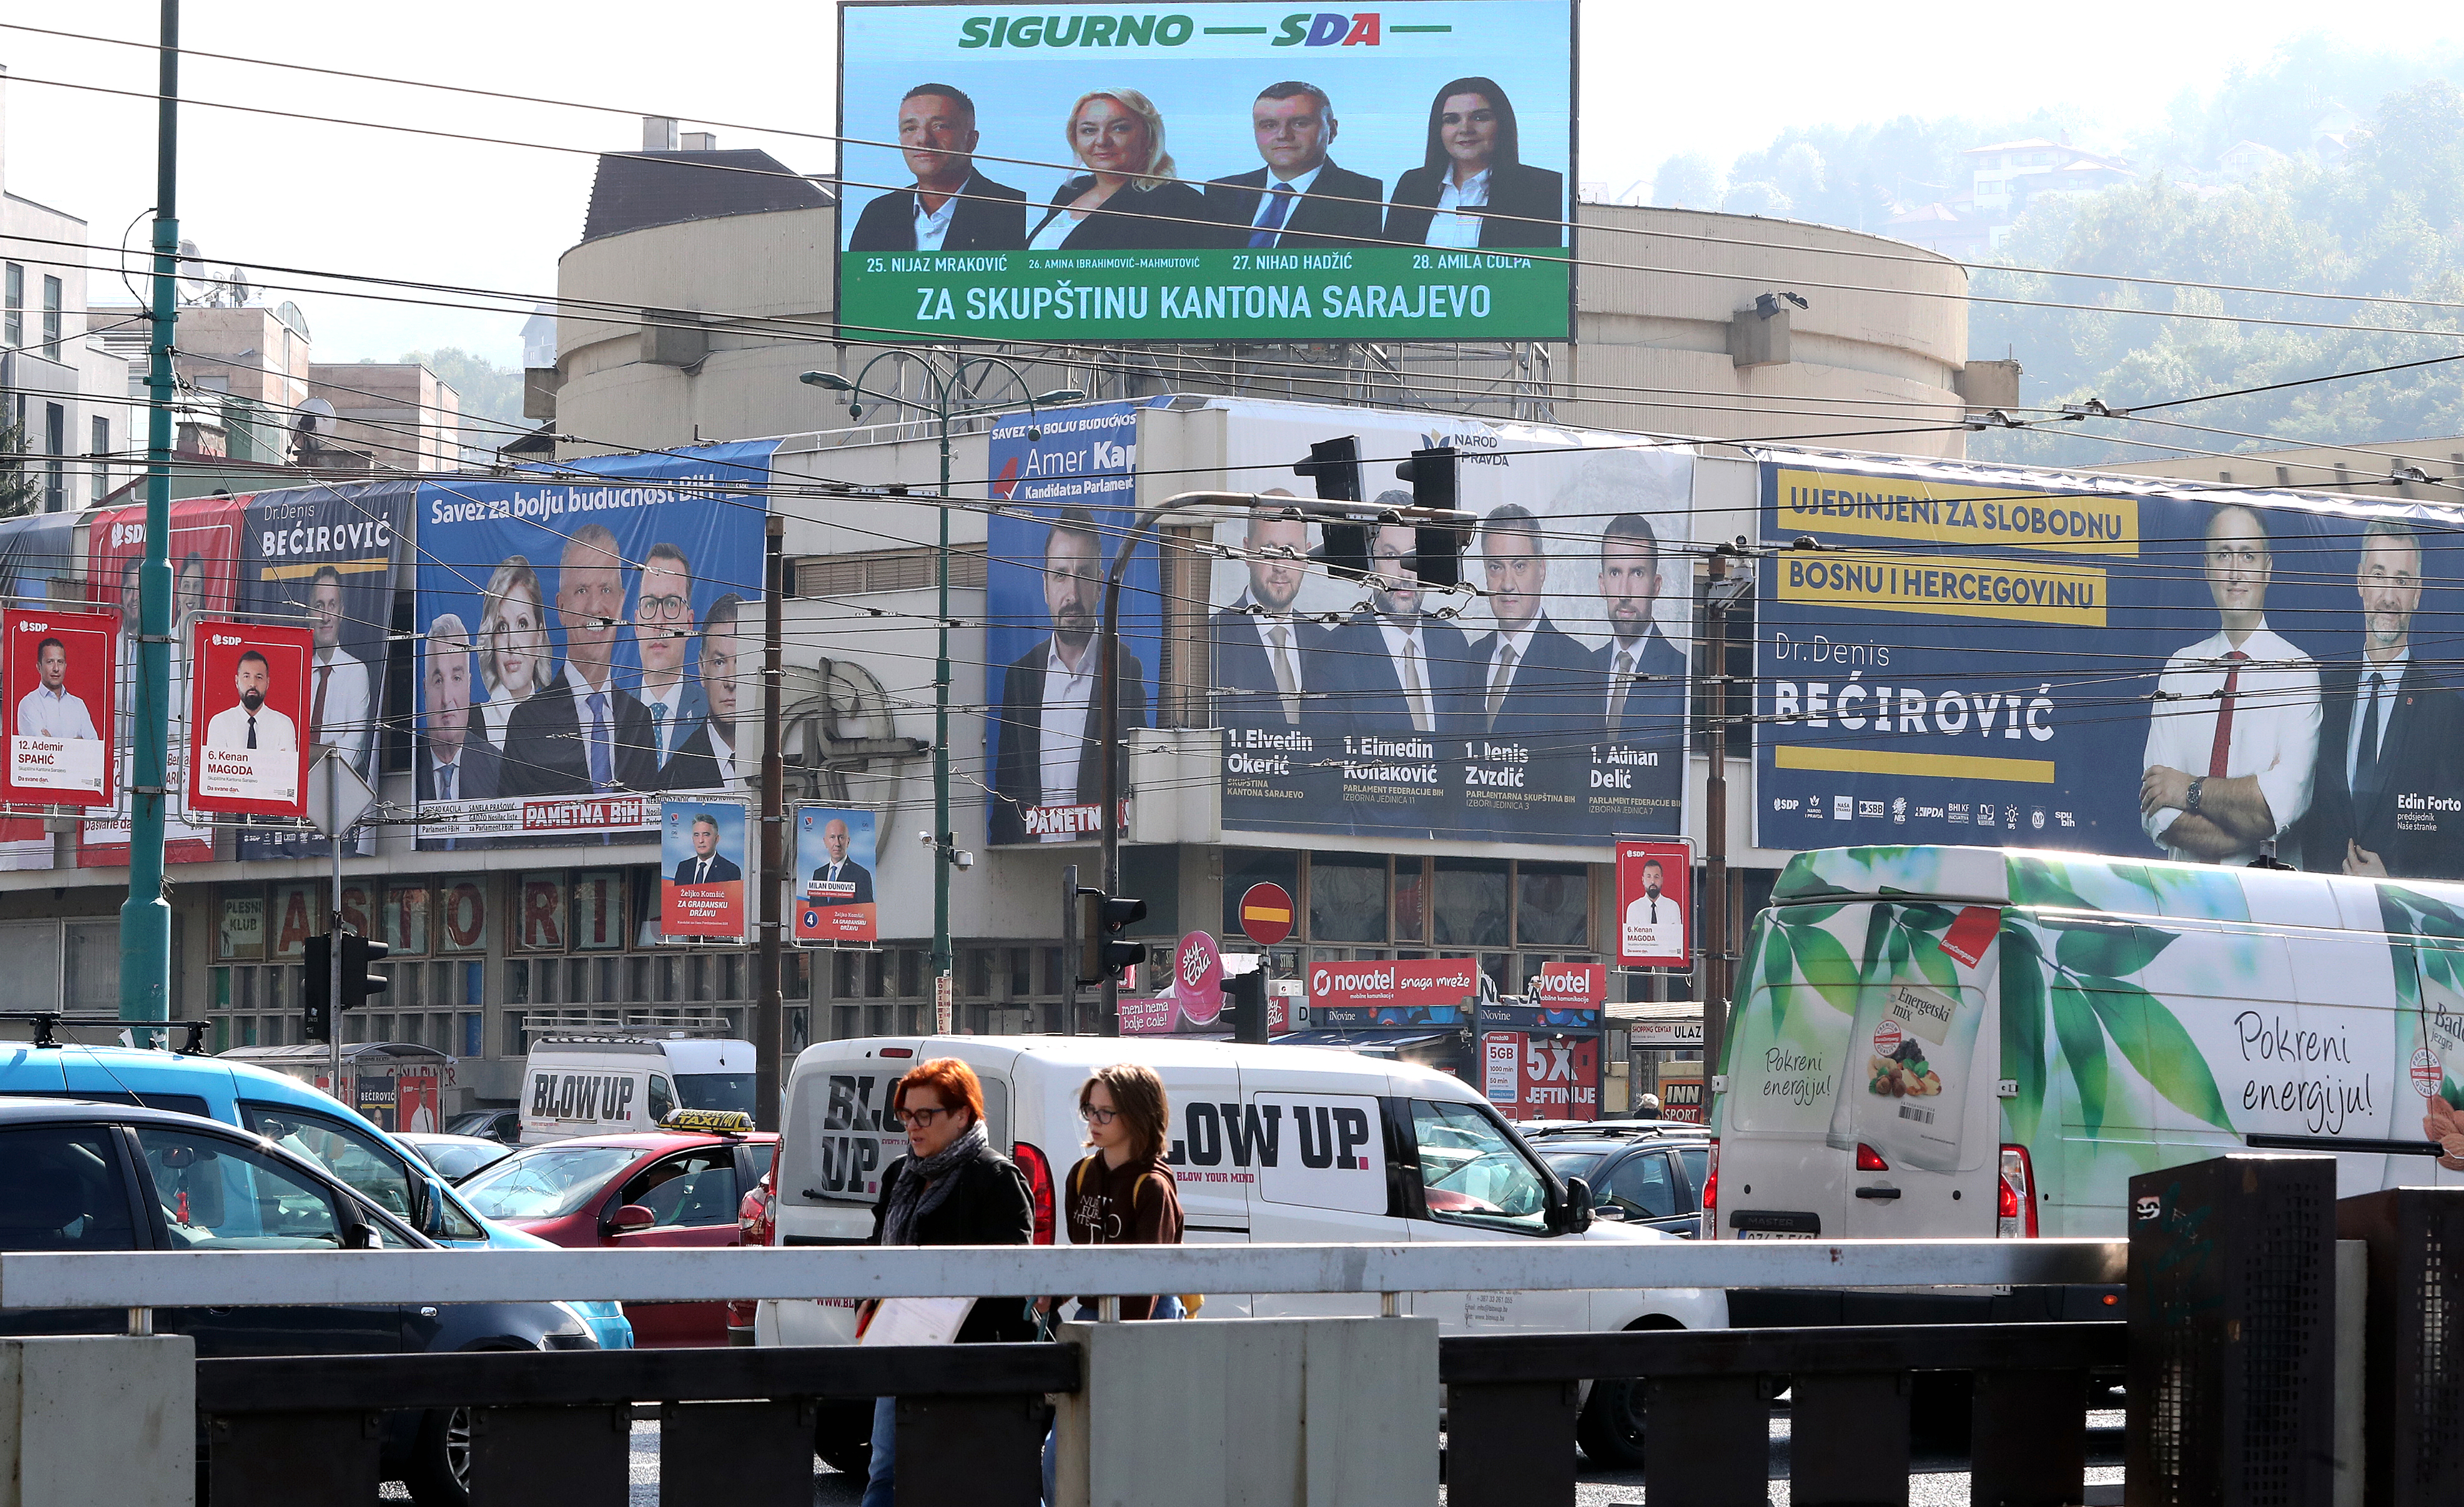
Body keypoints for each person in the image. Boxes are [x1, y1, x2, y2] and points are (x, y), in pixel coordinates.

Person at [860, 1058, 1035, 1507]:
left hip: (973, 1361)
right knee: (886, 1475)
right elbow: (874, 1250)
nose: (913, 1127)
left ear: (962, 1114)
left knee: (976, 1480)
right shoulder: (901, 1174)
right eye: (905, 1115)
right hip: (900, 1348)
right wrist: (869, 1298)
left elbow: (1015, 1278)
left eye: (925, 1115)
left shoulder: (996, 1178)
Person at [2141, 504, 2321, 865]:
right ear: (2207, 570)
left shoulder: (2298, 673)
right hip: (2184, 902)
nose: (2236, 571)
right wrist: (2246, 807)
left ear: (2268, 570)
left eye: (2248, 555)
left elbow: (2275, 810)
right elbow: (2157, 813)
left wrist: (2188, 789)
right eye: (2223, 555)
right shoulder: (2179, 670)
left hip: (2266, 906)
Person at [1041, 1063, 1186, 1503]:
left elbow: (1146, 1287)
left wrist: (1115, 1344)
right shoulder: (1081, 1175)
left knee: (1129, 1451)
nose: (1094, 1122)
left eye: (1107, 1113)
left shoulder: (1152, 1186)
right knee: (1058, 1453)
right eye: (1090, 1110)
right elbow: (1084, 1257)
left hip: (1145, 1321)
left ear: (1139, 1115)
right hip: (1092, 1316)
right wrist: (1053, 1293)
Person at [2297, 519, 2464, 878]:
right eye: (2379, 575)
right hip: (2320, 915)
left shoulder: (2447, 709)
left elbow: (2456, 843)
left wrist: (2394, 887)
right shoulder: (2321, 693)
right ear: (2360, 581)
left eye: (2402, 581)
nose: (2389, 596)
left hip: (2404, 925)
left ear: (2418, 593)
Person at [990, 510, 1149, 844]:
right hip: (1030, 866)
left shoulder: (1125, 670)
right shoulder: (1020, 677)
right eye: (1061, 575)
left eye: (1084, 575)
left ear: (1101, 585)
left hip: (1100, 859)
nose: (1072, 595)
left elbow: (1139, 786)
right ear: (1045, 586)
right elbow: (1004, 797)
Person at [502, 526, 658, 797]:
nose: (596, 606)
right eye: (583, 590)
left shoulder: (639, 720)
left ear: (621, 603)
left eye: (607, 589)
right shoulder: (527, 723)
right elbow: (511, 834)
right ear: (561, 608)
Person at [1319, 510, 1477, 742]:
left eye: (1415, 556)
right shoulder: (1334, 655)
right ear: (1371, 563)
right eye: (1391, 555)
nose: (1405, 572)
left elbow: (1473, 748)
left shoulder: (1454, 645)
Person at [1382, 76, 1564, 248]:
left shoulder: (1543, 188)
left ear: (1501, 123)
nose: (1465, 129)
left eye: (1479, 117)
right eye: (1452, 120)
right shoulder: (1412, 186)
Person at [846, 84, 1029, 253]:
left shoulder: (1014, 210)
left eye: (940, 126)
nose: (923, 139)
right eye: (910, 128)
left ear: (971, 141)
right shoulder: (879, 214)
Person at [1466, 504, 1593, 744]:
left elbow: (1577, 773)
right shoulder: (1470, 659)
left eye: (1519, 566)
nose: (1507, 584)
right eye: (1496, 567)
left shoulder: (1576, 666)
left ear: (1542, 569)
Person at [1027, 89, 1213, 252]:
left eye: (1119, 128)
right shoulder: (1072, 190)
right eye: (1089, 130)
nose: (1101, 141)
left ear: (1148, 136)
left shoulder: (1174, 200)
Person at [1204, 81, 1384, 249]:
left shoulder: (1369, 196)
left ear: (1332, 130)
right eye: (1269, 125)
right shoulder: (1221, 193)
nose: (1283, 135)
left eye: (1300, 123)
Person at [1210, 502, 1325, 730]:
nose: (1280, 566)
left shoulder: (1327, 644)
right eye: (1269, 549)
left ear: (1308, 555)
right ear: (1246, 551)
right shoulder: (1210, 641)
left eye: (1290, 551)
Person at [1595, 513, 1689, 750]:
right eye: (1615, 573)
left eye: (1637, 573)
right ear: (1602, 584)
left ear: (1656, 585)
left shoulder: (1683, 675)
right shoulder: (1582, 669)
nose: (1625, 593)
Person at [661, 594, 746, 792]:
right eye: (719, 662)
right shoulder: (675, 775)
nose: (730, 681)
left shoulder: (782, 760)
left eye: (741, 662)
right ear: (701, 668)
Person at [632, 542, 705, 774]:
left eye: (672, 604)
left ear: (689, 623)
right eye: (650, 604)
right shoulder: (611, 718)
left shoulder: (711, 714)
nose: (659, 621)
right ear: (636, 624)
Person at [416, 613, 499, 807]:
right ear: (425, 689)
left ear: (469, 685)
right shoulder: (409, 761)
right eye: (438, 681)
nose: (447, 699)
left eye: (456, 679)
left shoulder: (497, 767)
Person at [302, 565, 374, 774]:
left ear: (341, 613)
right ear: (309, 613)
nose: (325, 616)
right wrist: (330, 749)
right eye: (319, 605)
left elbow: (352, 750)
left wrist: (304, 755)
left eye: (332, 605)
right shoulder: (298, 674)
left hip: (337, 796)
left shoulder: (356, 672)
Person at [476, 556, 550, 751]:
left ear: (539, 636)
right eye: (501, 627)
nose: (511, 645)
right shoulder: (472, 725)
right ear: (491, 640)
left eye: (523, 624)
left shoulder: (559, 719)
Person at [203, 650, 295, 753]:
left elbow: (286, 768)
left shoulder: (283, 725)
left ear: (267, 683)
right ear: (237, 681)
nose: (253, 684)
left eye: (259, 677)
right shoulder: (220, 723)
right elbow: (216, 767)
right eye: (247, 677)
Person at [14, 636, 97, 741]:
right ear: (39, 667)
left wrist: (53, 741)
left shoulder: (79, 705)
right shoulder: (29, 704)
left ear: (65, 666)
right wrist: (77, 743)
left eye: (60, 662)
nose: (56, 669)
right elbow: (42, 750)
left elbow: (94, 748)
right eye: (50, 662)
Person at [1622, 858, 1683, 960]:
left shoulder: (1673, 906)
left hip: (1669, 960)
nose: (1653, 881)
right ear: (1643, 880)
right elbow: (1633, 943)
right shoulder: (1633, 908)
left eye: (1656, 877)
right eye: (1649, 877)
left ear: (1662, 880)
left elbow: (1675, 940)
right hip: (1640, 960)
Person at [808, 816, 875, 904]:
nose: (837, 844)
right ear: (825, 842)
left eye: (841, 837)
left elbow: (866, 913)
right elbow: (813, 910)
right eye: (832, 837)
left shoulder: (861, 875)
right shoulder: (818, 874)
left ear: (848, 841)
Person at [671, 812, 741, 885]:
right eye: (697, 835)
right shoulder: (684, 867)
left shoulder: (730, 871)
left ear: (716, 839)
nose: (701, 840)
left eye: (706, 835)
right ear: (693, 839)